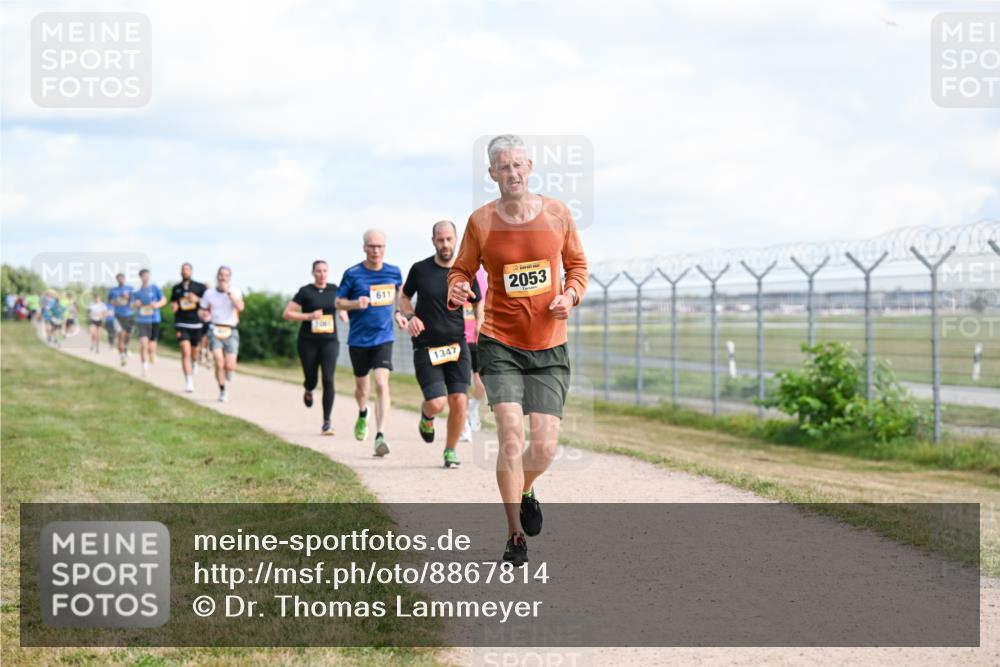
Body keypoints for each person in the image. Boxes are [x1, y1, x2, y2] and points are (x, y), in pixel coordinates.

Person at [448, 134, 588, 566]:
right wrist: (456, 287)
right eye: (502, 167)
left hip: (549, 345)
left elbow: (577, 267)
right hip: (500, 343)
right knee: (511, 436)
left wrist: (570, 295)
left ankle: (526, 488)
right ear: (492, 174)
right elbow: (461, 270)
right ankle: (514, 535)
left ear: (530, 167)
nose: (511, 173)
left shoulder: (558, 214)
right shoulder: (480, 222)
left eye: (517, 165)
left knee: (544, 447)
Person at [400, 220, 481, 468]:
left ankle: (450, 450)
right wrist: (411, 316)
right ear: (433, 240)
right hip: (427, 346)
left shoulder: (465, 270)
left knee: (460, 400)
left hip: (457, 344)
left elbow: (478, 300)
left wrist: (480, 322)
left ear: (456, 239)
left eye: (449, 239)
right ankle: (427, 416)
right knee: (437, 402)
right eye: (440, 239)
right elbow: (403, 297)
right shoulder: (420, 269)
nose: (445, 244)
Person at [336, 229, 404, 457]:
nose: (376, 250)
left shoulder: (394, 273)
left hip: (384, 338)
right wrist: (355, 304)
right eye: (372, 246)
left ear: (385, 248)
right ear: (364, 247)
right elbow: (338, 302)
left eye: (380, 246)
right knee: (362, 389)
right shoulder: (353, 273)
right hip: (358, 340)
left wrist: (400, 314)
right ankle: (363, 412)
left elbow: (400, 300)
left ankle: (380, 435)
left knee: (382, 384)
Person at [283, 260, 345, 436]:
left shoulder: (335, 290)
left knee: (328, 379)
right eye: (318, 271)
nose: (322, 274)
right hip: (308, 341)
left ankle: (327, 422)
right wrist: (309, 316)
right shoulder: (305, 291)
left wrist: (343, 313)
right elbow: (287, 313)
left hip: (329, 342)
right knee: (311, 378)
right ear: (313, 273)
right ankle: (309, 388)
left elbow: (343, 305)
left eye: (325, 270)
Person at [199, 266, 244, 402]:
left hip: (231, 330)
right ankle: (222, 390)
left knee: (230, 366)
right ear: (217, 276)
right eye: (221, 275)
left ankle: (229, 370)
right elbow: (201, 310)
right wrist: (203, 314)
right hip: (215, 328)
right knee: (219, 361)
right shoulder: (209, 293)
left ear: (229, 278)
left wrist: (229, 294)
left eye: (226, 275)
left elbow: (241, 307)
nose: (223, 277)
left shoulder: (235, 291)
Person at [170, 263, 208, 392]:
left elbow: (207, 303)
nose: (185, 272)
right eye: (183, 270)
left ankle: (195, 362)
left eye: (187, 270)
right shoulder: (176, 288)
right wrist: (174, 307)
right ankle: (189, 382)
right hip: (181, 323)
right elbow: (174, 303)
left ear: (191, 271)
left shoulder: (199, 287)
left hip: (196, 324)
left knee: (194, 352)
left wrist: (197, 299)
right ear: (180, 272)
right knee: (185, 351)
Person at [463, 266, 488, 439]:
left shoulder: (488, 271)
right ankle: (463, 425)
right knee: (460, 386)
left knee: (482, 384)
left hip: (479, 338)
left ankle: (473, 407)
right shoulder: (458, 269)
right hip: (459, 338)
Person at [132, 269, 166, 376]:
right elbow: (131, 306)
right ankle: (144, 367)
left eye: (147, 275)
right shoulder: (137, 292)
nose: (145, 277)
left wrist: (157, 305)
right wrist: (135, 304)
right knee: (143, 344)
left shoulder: (155, 288)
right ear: (140, 277)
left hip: (154, 319)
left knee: (151, 346)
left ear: (149, 276)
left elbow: (164, 300)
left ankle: (152, 353)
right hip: (142, 320)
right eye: (143, 276)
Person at [108, 273, 135, 366]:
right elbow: (111, 302)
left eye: (122, 278)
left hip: (129, 315)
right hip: (118, 315)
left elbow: (134, 301)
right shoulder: (113, 291)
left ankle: (126, 347)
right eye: (119, 278)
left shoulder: (130, 289)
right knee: (121, 335)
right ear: (117, 280)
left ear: (125, 278)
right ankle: (122, 356)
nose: (121, 280)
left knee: (129, 335)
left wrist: (129, 298)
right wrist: (120, 299)